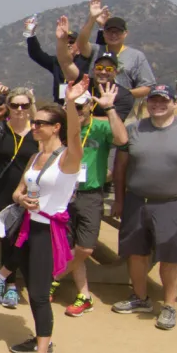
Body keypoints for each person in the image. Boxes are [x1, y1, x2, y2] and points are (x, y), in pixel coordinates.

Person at [112, 84, 177, 330]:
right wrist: (120, 199)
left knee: (170, 256)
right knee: (136, 253)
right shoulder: (133, 129)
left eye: (163, 101)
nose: (157, 105)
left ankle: (169, 306)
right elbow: (120, 168)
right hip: (136, 201)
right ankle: (140, 298)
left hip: (172, 203)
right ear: (146, 103)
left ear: (174, 103)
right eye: (153, 101)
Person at [5, 83, 88, 353]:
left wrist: (70, 102)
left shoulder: (68, 158)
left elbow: (76, 136)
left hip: (48, 234)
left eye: (40, 123)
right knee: (32, 289)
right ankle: (43, 338)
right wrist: (20, 199)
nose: (34, 126)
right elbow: (18, 191)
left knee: (40, 295)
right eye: (34, 122)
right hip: (28, 227)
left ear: (56, 128)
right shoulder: (34, 157)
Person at [57, 82, 129, 316]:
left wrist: (109, 109)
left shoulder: (101, 127)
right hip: (65, 192)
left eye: (80, 106)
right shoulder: (63, 128)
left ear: (89, 105)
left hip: (90, 194)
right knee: (69, 246)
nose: (76, 111)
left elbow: (121, 139)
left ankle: (54, 277)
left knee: (85, 248)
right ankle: (84, 296)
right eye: (72, 107)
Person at [0, 88, 38, 308]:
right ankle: (11, 286)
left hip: (30, 192)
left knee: (27, 239)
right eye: (15, 105)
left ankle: (2, 276)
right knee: (9, 239)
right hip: (2, 189)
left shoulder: (38, 131)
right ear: (8, 107)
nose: (19, 110)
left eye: (24, 105)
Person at [75, 0, 156, 99]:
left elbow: (147, 86)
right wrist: (92, 18)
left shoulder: (136, 56)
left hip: (122, 110)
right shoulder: (96, 50)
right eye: (109, 31)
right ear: (103, 33)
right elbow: (81, 43)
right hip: (93, 106)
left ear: (125, 33)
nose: (113, 35)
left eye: (117, 32)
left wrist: (121, 95)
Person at [24, 14, 89, 104]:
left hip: (81, 106)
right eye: (65, 41)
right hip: (61, 106)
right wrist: (31, 35)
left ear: (78, 45)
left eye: (71, 42)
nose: (68, 44)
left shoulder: (85, 61)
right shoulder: (56, 62)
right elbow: (36, 54)